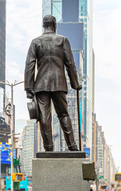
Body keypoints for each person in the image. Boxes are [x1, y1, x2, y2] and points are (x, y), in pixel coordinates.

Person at [24, 14, 82, 152]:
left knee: (44, 116)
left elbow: (29, 65)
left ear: (43, 26)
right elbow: (70, 64)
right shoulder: (63, 41)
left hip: (41, 85)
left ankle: (48, 148)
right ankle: (72, 146)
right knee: (63, 114)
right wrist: (75, 83)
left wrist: (28, 87)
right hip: (59, 84)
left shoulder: (36, 42)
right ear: (55, 26)